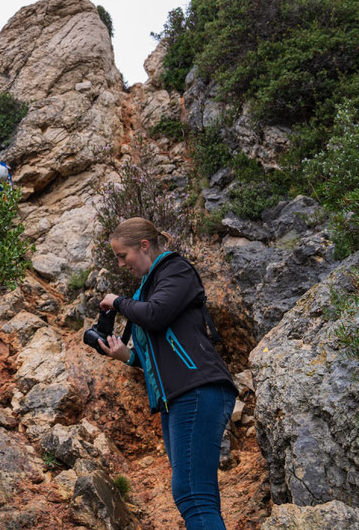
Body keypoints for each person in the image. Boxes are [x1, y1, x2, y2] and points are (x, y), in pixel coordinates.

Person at [95, 217, 237, 530]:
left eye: (123, 256)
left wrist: (118, 301)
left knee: (192, 494)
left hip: (198, 389)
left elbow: (156, 316)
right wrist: (127, 356)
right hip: (178, 398)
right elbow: (159, 355)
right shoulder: (149, 288)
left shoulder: (175, 269)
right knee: (194, 495)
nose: (121, 264)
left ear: (143, 246)